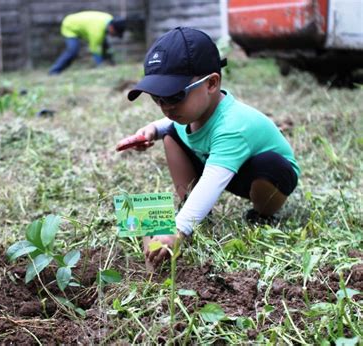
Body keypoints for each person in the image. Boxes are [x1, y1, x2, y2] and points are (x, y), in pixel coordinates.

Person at [126, 27, 300, 268]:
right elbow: (169, 124)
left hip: (269, 176)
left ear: (211, 83)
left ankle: (262, 215)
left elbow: (212, 180)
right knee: (170, 135)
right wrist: (153, 130)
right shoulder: (194, 111)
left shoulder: (233, 126)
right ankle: (194, 208)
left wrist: (178, 230)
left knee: (267, 166)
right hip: (229, 169)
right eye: (158, 99)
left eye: (174, 96)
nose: (166, 107)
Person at [49, 11, 126, 75]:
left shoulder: (110, 19)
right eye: (115, 34)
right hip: (69, 26)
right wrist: (100, 65)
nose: (114, 36)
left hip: (78, 22)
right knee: (73, 50)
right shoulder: (97, 32)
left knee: (105, 45)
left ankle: (112, 64)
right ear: (111, 28)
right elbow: (94, 49)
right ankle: (54, 71)